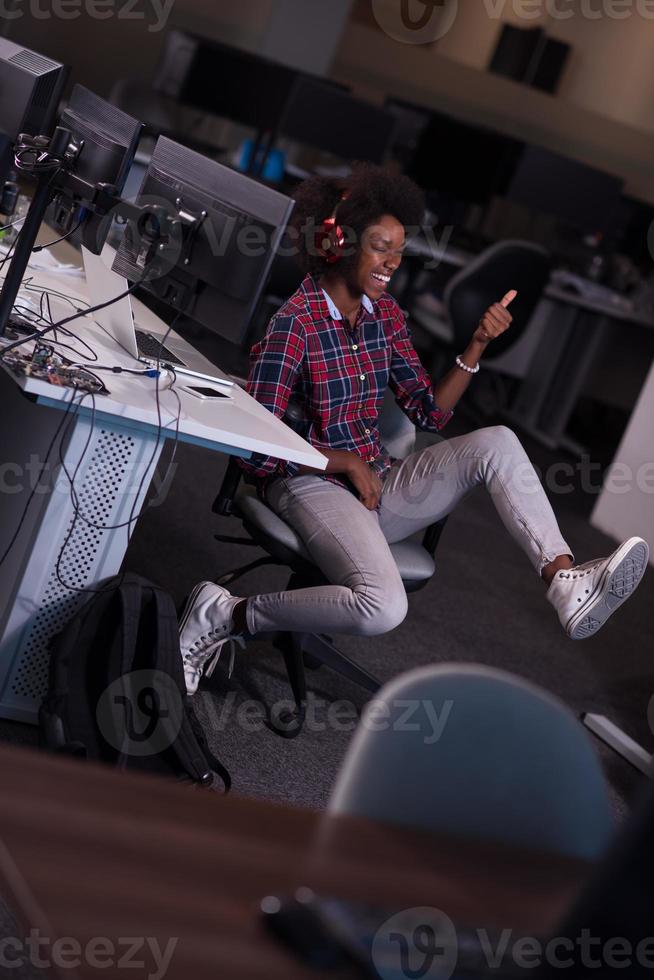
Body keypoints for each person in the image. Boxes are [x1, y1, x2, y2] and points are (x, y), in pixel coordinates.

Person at [178, 163, 648, 695]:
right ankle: (228, 614)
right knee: (383, 606)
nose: (392, 264)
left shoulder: (386, 317)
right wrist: (339, 460)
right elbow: (254, 447)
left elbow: (428, 412)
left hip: (377, 483)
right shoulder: (295, 323)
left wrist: (476, 345)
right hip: (307, 482)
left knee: (498, 440)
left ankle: (565, 581)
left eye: (399, 251)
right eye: (381, 248)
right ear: (339, 243)